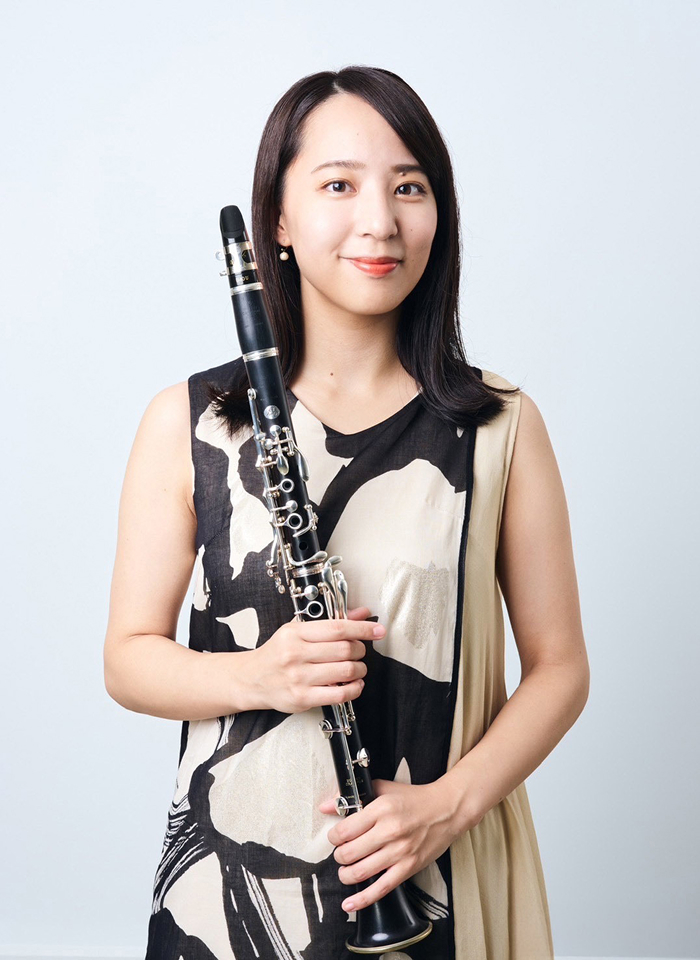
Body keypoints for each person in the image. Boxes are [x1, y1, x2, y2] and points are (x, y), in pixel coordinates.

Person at [104, 66, 590, 960]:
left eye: (409, 187)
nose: (380, 221)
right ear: (278, 221)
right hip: (229, 896)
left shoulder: (500, 426)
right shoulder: (189, 422)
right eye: (339, 185)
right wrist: (261, 676)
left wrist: (446, 807)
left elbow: (561, 670)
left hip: (430, 872)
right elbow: (128, 660)